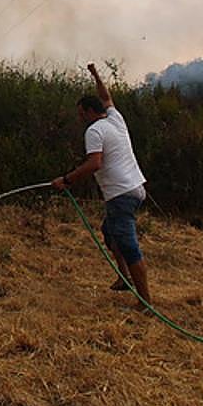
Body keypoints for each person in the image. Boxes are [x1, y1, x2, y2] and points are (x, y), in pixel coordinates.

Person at [52, 63, 152, 307]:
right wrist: (96, 75)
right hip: (136, 189)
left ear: (87, 112)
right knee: (110, 232)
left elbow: (94, 163)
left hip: (121, 194)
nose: (79, 118)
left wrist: (66, 180)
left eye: (80, 113)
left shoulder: (94, 131)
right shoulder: (116, 119)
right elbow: (106, 96)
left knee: (129, 246)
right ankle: (123, 277)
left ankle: (145, 302)